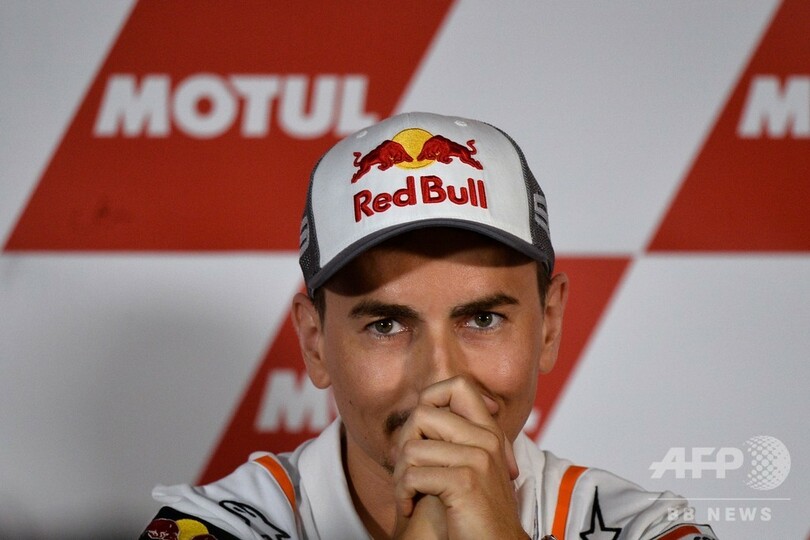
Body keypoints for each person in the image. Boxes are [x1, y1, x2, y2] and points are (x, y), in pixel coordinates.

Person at [139, 112, 717, 539]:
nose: (440, 379)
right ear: (315, 343)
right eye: (386, 325)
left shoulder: (647, 530)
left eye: (483, 319)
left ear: (549, 325)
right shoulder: (208, 530)